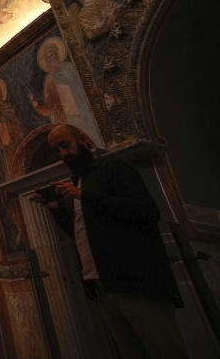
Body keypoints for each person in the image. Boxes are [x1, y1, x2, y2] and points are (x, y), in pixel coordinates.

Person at [36, 123, 187, 358]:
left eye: (66, 145)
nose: (63, 154)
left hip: (138, 284)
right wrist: (57, 210)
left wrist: (85, 196)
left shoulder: (114, 169)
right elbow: (84, 233)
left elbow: (146, 211)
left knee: (164, 350)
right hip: (104, 287)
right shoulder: (78, 183)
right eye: (58, 150)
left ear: (84, 140)